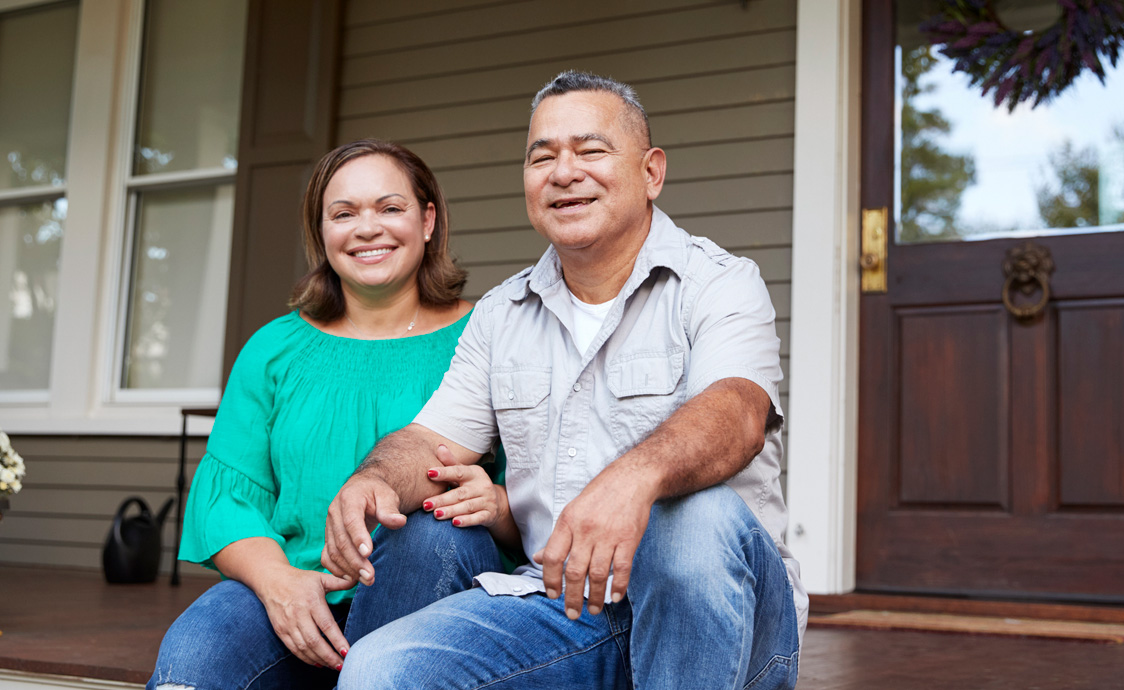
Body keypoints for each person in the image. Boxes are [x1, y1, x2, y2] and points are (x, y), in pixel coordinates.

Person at [324, 72, 807, 689]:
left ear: (651, 172)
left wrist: (635, 478)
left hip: (722, 618)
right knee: (381, 669)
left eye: (591, 150)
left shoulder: (720, 283)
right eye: (542, 156)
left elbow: (738, 412)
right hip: (565, 608)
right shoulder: (503, 313)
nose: (563, 171)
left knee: (692, 520)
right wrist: (373, 479)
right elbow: (431, 442)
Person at [147, 140, 519, 690]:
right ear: (321, 234)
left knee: (435, 540)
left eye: (389, 208)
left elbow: (536, 502)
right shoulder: (275, 349)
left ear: (428, 220)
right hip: (294, 587)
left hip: (431, 597)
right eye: (343, 214)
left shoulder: (490, 337)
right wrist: (279, 584)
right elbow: (230, 501)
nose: (367, 228)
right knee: (197, 656)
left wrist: (497, 505)